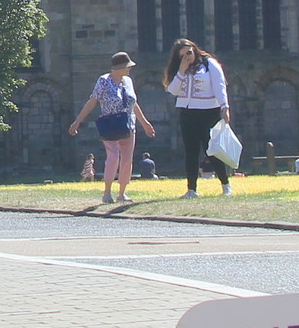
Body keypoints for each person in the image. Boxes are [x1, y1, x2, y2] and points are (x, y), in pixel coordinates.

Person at [70, 51, 154, 205]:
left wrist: (145, 123)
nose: (129, 69)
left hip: (128, 124)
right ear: (118, 67)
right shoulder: (103, 81)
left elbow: (133, 104)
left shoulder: (128, 81)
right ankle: (107, 192)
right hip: (110, 124)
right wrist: (77, 121)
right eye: (126, 66)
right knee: (113, 156)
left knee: (127, 159)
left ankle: (122, 192)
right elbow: (92, 102)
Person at [162, 38, 232, 198]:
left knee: (211, 149)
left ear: (194, 49)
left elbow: (219, 85)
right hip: (188, 112)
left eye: (189, 52)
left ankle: (225, 184)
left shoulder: (209, 64)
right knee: (191, 151)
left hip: (209, 111)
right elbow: (173, 90)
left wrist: (224, 107)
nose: (187, 57)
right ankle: (192, 189)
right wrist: (181, 71)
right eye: (182, 55)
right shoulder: (180, 69)